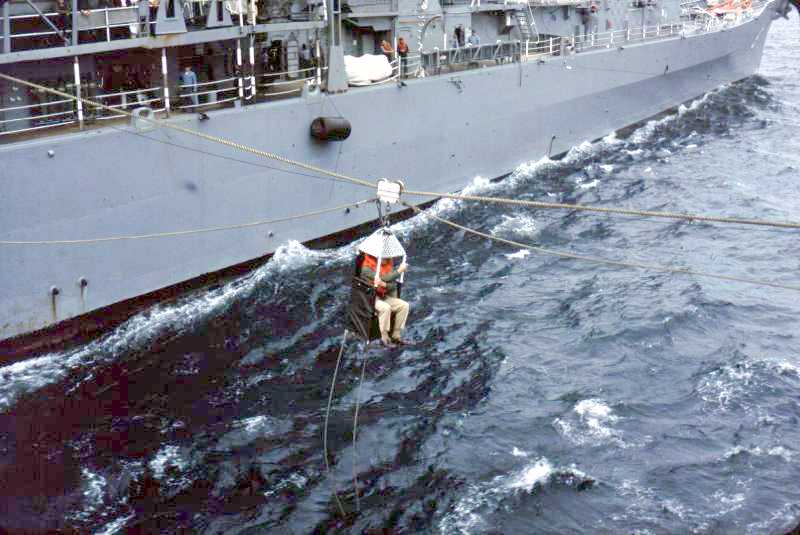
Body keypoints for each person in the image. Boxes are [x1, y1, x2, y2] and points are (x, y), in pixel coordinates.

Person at [360, 254, 409, 347]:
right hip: (370, 297)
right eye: (384, 257)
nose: (387, 259)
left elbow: (392, 285)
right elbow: (383, 278)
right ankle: (384, 338)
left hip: (382, 295)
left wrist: (384, 284)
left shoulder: (387, 266)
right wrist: (399, 271)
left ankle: (396, 335)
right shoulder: (366, 268)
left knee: (404, 305)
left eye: (387, 257)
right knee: (385, 308)